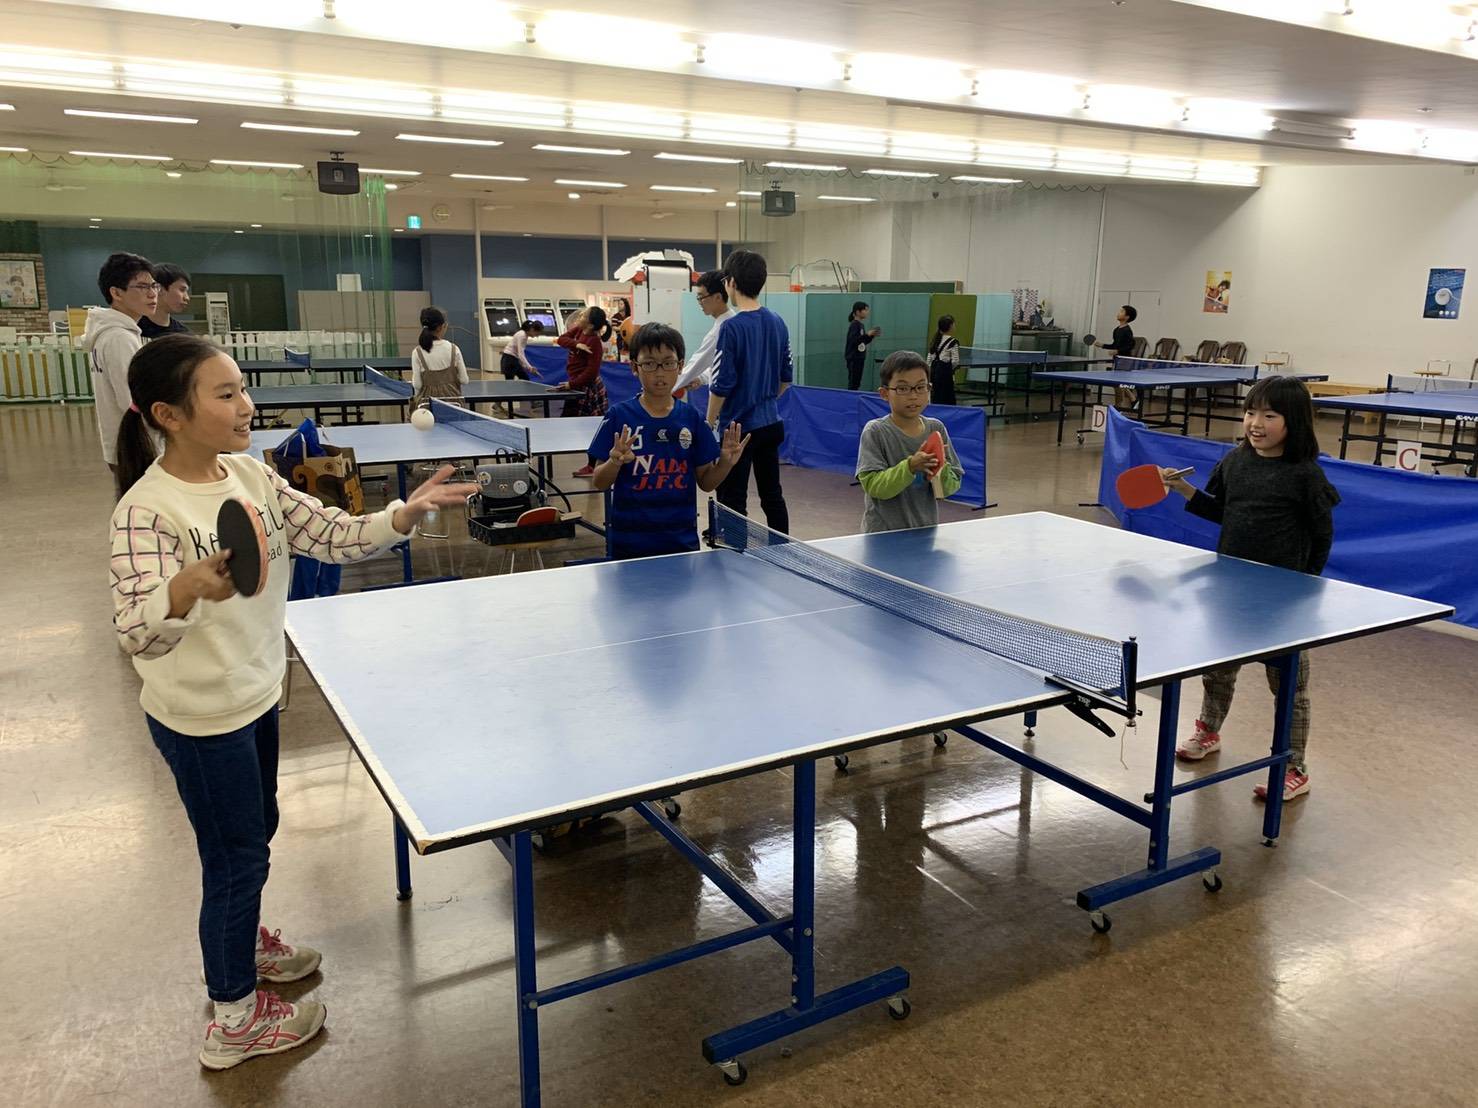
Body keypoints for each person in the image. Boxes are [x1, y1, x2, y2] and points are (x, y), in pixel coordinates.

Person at [110, 334, 475, 1071]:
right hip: (200, 719)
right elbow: (134, 634)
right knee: (234, 861)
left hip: (255, 696)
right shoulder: (145, 512)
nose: (247, 405)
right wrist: (180, 592)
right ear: (168, 415)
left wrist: (401, 515)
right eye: (225, 395)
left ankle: (243, 946)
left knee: (257, 834)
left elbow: (329, 534)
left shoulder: (250, 474)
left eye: (242, 388)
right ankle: (234, 1021)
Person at [1159, 375, 1340, 802]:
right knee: (1218, 670)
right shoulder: (1235, 462)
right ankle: (1208, 730)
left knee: (1289, 686)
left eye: (1269, 415)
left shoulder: (1305, 475)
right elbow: (1222, 512)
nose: (1256, 423)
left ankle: (1294, 766)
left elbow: (1322, 535)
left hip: (1282, 600)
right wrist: (1182, 488)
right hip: (1230, 588)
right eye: (1250, 412)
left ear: (1293, 421)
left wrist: (1305, 586)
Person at [587, 322, 748, 559]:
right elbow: (599, 482)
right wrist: (614, 462)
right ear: (635, 367)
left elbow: (706, 482)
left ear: (680, 366)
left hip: (680, 542)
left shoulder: (692, 418)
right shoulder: (619, 416)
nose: (660, 373)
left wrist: (725, 463)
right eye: (649, 364)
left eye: (668, 363)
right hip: (630, 542)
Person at [706, 250, 793, 533]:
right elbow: (786, 380)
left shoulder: (731, 328)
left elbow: (721, 385)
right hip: (771, 424)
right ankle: (783, 548)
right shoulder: (778, 321)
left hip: (737, 431)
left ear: (730, 282)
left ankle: (733, 552)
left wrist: (709, 422)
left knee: (732, 500)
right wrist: (762, 398)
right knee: (772, 494)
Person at [856, 351, 963, 533]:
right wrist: (910, 467)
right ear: (884, 393)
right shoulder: (875, 431)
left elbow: (947, 489)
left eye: (920, 387)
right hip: (883, 537)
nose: (913, 396)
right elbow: (874, 487)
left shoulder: (936, 428)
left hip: (925, 532)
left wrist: (940, 468)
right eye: (903, 388)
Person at [80, 251, 156, 483]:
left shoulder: (108, 333)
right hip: (136, 446)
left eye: (154, 285)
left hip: (120, 444)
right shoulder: (119, 338)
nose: (152, 293)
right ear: (116, 293)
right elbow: (131, 400)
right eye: (142, 287)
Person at [556, 306, 611, 477]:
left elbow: (591, 372)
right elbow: (561, 339)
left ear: (591, 323)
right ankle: (593, 463)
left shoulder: (594, 342)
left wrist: (571, 384)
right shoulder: (580, 330)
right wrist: (576, 344)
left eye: (583, 315)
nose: (580, 316)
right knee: (575, 424)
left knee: (590, 427)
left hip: (588, 388)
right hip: (577, 386)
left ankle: (593, 465)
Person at [673, 269, 736, 396]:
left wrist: (665, 388)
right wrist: (701, 378)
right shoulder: (733, 319)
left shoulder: (721, 330)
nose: (699, 302)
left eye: (701, 297)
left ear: (718, 297)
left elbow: (695, 365)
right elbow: (721, 366)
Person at [410, 305, 468, 407]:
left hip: (427, 407)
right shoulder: (454, 349)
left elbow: (417, 385)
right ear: (441, 327)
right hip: (454, 405)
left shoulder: (417, 352)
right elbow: (464, 380)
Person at [140, 263, 192, 339]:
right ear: (159, 289)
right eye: (182, 290)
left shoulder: (183, 335)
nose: (187, 298)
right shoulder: (134, 329)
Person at [845, 301, 881, 390]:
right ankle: (852, 396)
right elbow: (854, 341)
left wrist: (871, 336)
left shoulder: (861, 325)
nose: (867, 312)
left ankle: (854, 394)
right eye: (865, 310)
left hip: (859, 357)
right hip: (854, 357)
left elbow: (862, 342)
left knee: (857, 381)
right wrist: (867, 334)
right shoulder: (854, 325)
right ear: (858, 312)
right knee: (853, 382)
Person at [926, 315, 961, 406]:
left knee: (936, 397)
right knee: (947, 399)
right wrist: (948, 369)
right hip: (945, 375)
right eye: (953, 324)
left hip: (934, 373)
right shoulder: (953, 342)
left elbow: (929, 360)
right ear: (950, 326)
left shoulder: (935, 340)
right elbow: (955, 361)